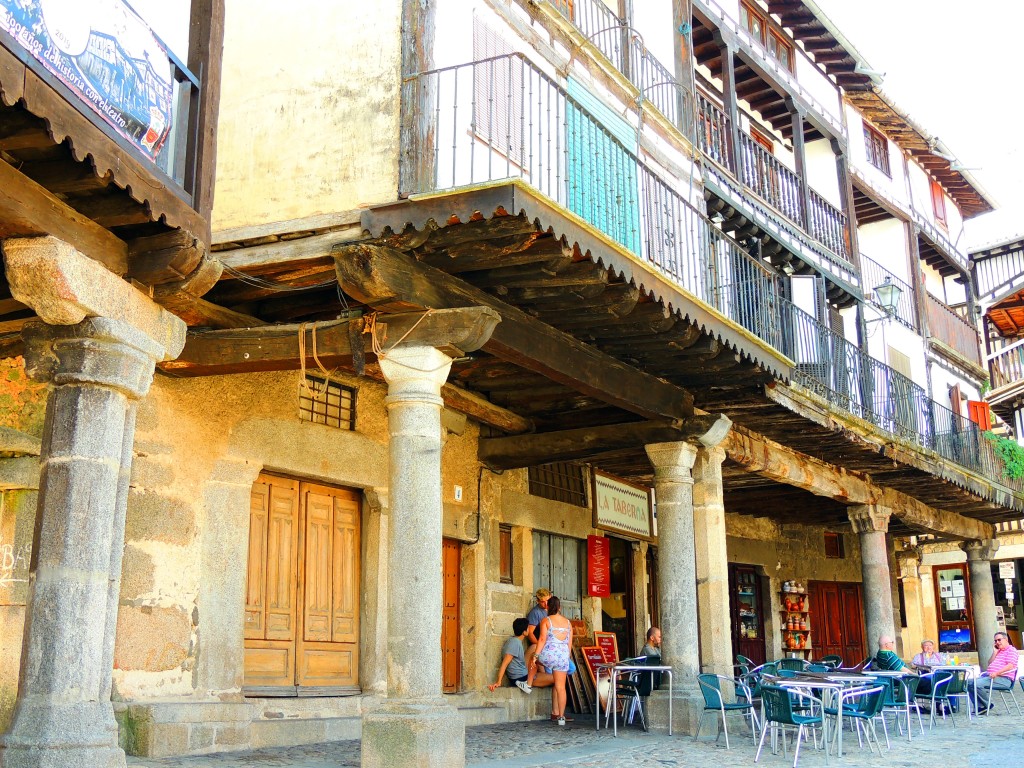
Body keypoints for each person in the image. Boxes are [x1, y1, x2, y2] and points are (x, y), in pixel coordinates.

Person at [531, 595, 573, 725]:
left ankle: (528, 683)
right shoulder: (568, 623)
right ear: (560, 608)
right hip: (562, 657)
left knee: (532, 659)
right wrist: (566, 657)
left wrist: (536, 656)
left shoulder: (546, 620)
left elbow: (542, 639)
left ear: (548, 607)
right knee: (561, 687)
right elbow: (569, 644)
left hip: (549, 656)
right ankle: (561, 717)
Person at [488, 617, 553, 694]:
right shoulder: (514, 643)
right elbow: (504, 664)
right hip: (521, 678)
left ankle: (541, 676)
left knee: (535, 648)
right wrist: (498, 682)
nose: (529, 629)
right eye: (528, 628)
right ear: (524, 632)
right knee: (555, 678)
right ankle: (529, 682)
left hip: (523, 672)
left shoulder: (515, 640)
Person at [969, 631, 1018, 714]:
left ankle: (985, 705)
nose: (997, 642)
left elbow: (1010, 666)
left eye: (999, 640)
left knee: (975, 683)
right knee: (969, 682)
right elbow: (989, 663)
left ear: (1006, 639)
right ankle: (981, 706)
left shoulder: (1011, 650)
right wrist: (995, 652)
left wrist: (997, 673)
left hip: (1003, 679)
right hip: (991, 677)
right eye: (995, 641)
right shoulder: (999, 651)